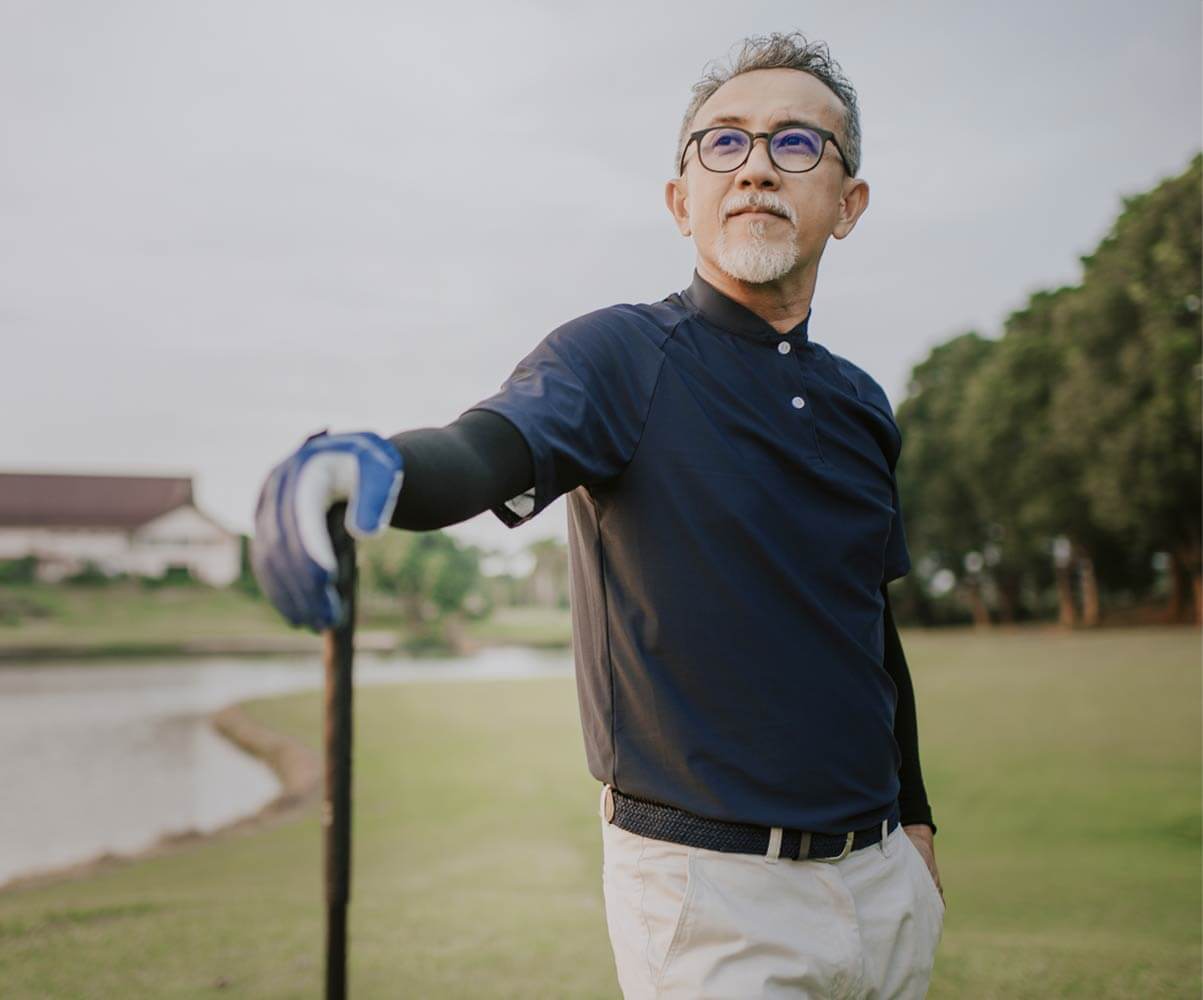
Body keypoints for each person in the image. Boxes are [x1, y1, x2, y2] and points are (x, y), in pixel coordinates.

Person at [252, 30, 944, 999]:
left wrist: (915, 819)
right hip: (715, 899)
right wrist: (370, 464)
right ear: (681, 199)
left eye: (796, 144)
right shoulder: (620, 357)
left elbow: (871, 627)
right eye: (724, 144)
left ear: (849, 202)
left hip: (883, 886)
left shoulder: (863, 405)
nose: (755, 167)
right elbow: (481, 449)